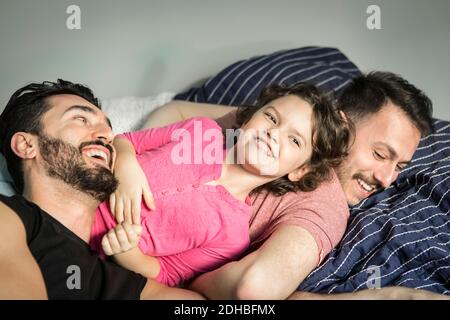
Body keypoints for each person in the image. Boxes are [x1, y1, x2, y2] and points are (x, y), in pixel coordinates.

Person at [139, 71, 447, 300]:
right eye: (380, 154)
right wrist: (145, 171)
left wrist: (187, 277)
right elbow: (176, 112)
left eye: (400, 167)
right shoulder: (275, 125)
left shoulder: (326, 203)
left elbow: (254, 287)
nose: (386, 179)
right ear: (338, 127)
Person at [91, 83, 351, 287]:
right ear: (248, 118)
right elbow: (125, 141)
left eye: (295, 140)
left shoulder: (233, 236)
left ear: (299, 170)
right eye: (271, 118)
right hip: (74, 203)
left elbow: (168, 273)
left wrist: (127, 252)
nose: (274, 133)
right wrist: (126, 168)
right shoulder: (201, 131)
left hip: (94, 262)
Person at [0, 80, 204, 299]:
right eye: (81, 118)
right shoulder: (9, 219)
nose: (106, 135)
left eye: (108, 127)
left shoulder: (119, 277)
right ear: (26, 145)